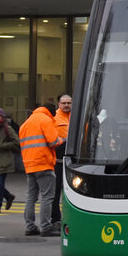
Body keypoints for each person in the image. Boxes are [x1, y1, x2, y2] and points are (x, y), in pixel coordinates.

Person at [19, 102, 64, 237]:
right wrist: (61, 139)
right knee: (47, 197)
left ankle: (30, 226)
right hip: (44, 163)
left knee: (31, 197)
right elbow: (54, 141)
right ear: (51, 112)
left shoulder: (26, 123)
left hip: (29, 164)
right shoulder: (46, 120)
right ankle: (46, 227)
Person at [0, 107, 20, 214]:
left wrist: (3, 145)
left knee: (0, 184)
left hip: (5, 161)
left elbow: (17, 141)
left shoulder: (7, 128)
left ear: (2, 117)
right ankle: (9, 196)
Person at [51, 94, 72, 225]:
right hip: (58, 161)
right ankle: (55, 218)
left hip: (73, 161)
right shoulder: (53, 119)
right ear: (59, 104)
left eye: (69, 103)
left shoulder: (77, 117)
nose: (66, 105)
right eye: (63, 103)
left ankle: (69, 218)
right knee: (56, 191)